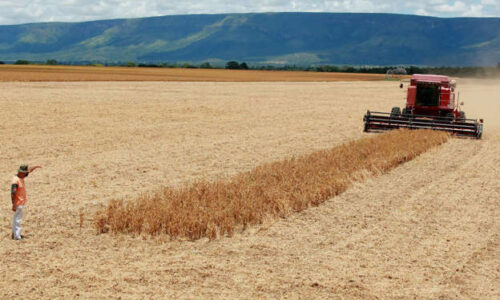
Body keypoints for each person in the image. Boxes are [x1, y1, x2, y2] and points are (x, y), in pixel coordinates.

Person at [11, 164, 41, 240]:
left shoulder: (20, 176)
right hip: (18, 202)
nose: (26, 175)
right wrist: (14, 204)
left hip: (20, 202)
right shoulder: (15, 181)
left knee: (16, 218)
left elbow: (29, 171)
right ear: (21, 173)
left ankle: (15, 233)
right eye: (24, 173)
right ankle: (17, 236)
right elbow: (13, 193)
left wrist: (35, 166)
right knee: (18, 219)